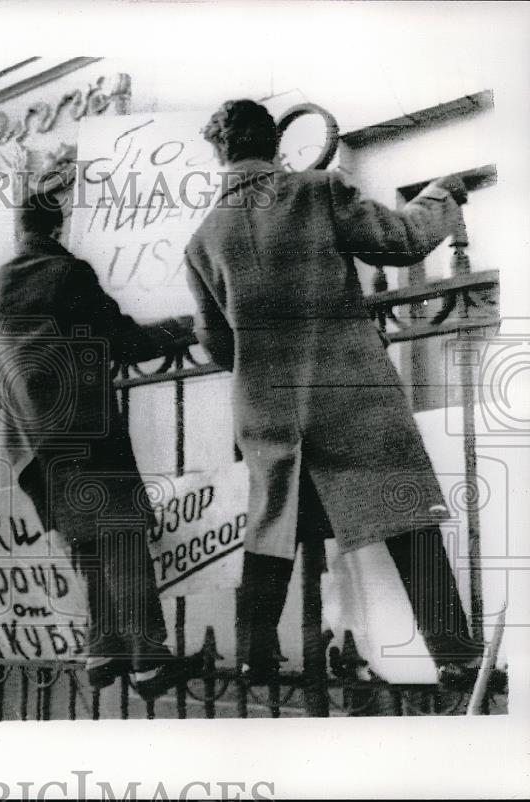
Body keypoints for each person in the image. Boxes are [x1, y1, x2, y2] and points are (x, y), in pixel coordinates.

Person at [184, 99, 482, 688]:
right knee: (403, 511)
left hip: (268, 408)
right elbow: (401, 240)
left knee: (273, 525)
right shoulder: (315, 191)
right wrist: (441, 195)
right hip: (349, 395)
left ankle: (254, 656)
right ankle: (454, 655)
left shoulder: (202, 239)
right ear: (274, 145)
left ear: (221, 154)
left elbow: (217, 345)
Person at [0, 191, 199, 700]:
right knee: (121, 533)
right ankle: (147, 662)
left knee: (86, 537)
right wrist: (188, 326)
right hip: (79, 423)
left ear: (18, 230)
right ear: (60, 228)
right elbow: (121, 340)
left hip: (29, 439)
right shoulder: (68, 272)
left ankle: (102, 650)